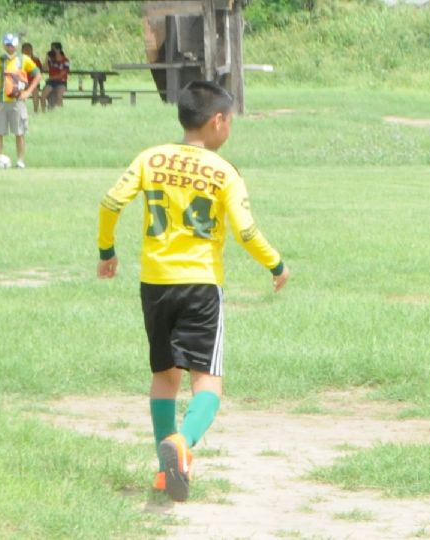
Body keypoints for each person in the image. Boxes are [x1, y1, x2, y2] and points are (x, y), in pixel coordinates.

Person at [96, 81, 290, 502]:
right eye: (230, 121)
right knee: (208, 383)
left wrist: (107, 251)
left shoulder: (151, 158)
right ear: (217, 121)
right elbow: (246, 231)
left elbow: (111, 203)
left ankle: (166, 473)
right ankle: (182, 444)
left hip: (155, 283)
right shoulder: (225, 172)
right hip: (201, 285)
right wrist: (276, 264)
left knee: (165, 378)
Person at [0, 33, 42, 169]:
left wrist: (28, 92)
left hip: (17, 101)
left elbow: (37, 75)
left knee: (19, 132)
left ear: (16, 46)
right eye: (7, 45)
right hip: (1, 101)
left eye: (12, 45)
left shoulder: (24, 59)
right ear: (4, 45)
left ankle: (20, 160)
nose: (10, 48)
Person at [42, 41, 69, 110]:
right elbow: (44, 69)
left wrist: (50, 78)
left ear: (58, 50)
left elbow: (62, 74)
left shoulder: (65, 60)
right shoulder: (51, 60)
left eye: (53, 49)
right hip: (51, 82)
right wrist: (46, 58)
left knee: (59, 95)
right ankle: (43, 111)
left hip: (61, 81)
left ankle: (59, 111)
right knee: (43, 95)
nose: (52, 51)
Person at [21, 43, 44, 113]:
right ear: (22, 50)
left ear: (32, 50)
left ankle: (36, 111)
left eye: (29, 49)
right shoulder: (19, 60)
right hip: (22, 82)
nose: (27, 51)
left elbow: (40, 72)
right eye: (25, 49)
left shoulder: (36, 60)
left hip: (33, 82)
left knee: (35, 91)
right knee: (19, 91)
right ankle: (21, 111)